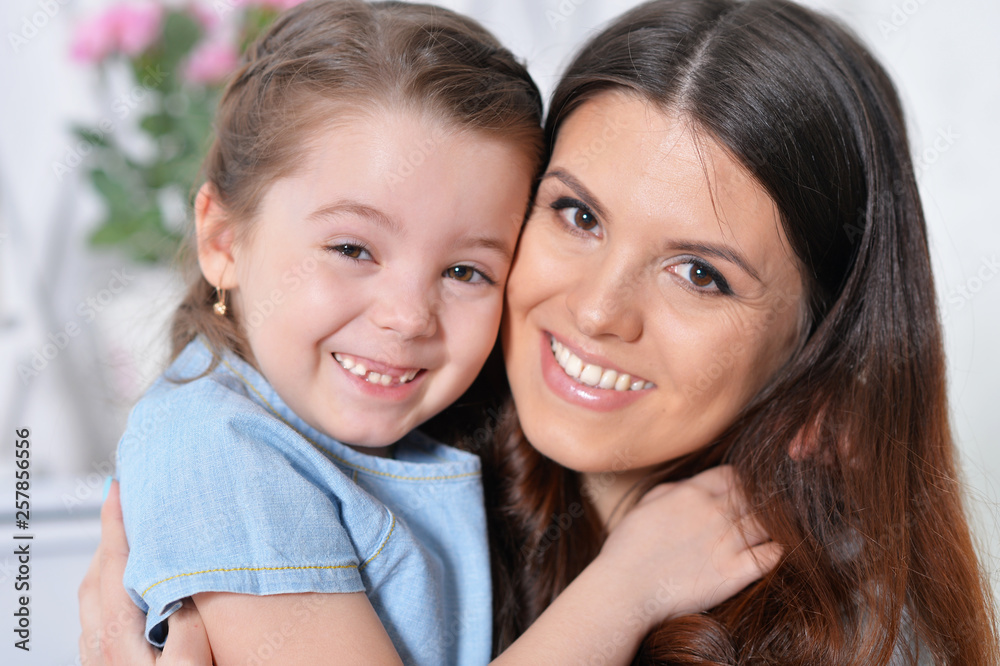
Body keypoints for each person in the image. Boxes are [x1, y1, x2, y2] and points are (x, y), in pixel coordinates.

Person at [81, 0, 999, 663]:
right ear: (223, 239)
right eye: (579, 216)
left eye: (700, 273)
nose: (598, 311)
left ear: (821, 346)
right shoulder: (372, 447)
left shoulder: (832, 632)